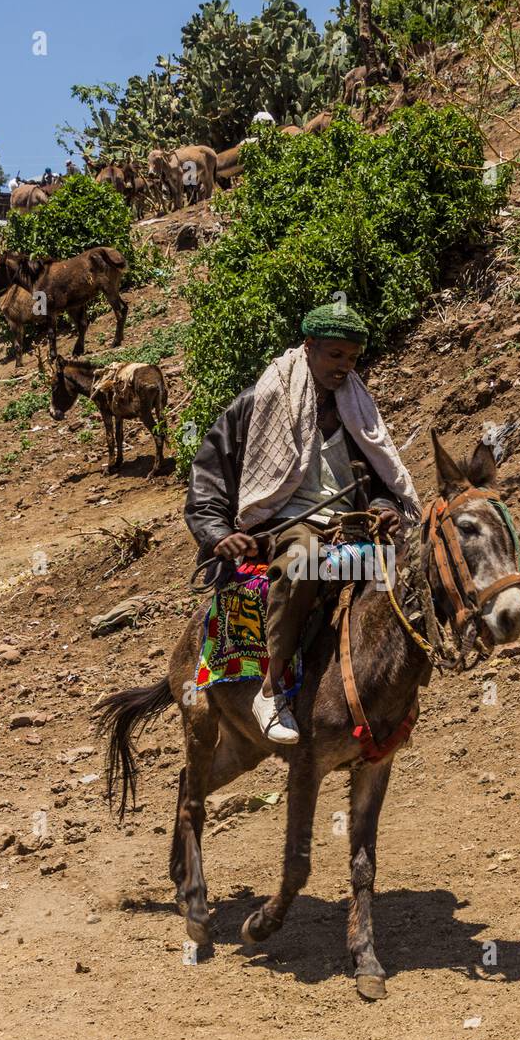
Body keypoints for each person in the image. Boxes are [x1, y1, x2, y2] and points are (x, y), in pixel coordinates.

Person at [185, 302, 420, 744]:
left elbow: (382, 474)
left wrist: (387, 504)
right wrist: (220, 534)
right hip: (289, 524)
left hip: (355, 523)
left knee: (418, 571)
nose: (345, 367)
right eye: (335, 355)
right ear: (309, 346)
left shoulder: (357, 406)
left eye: (352, 358)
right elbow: (208, 477)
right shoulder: (260, 402)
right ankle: (271, 693)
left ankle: (394, 695)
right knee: (306, 562)